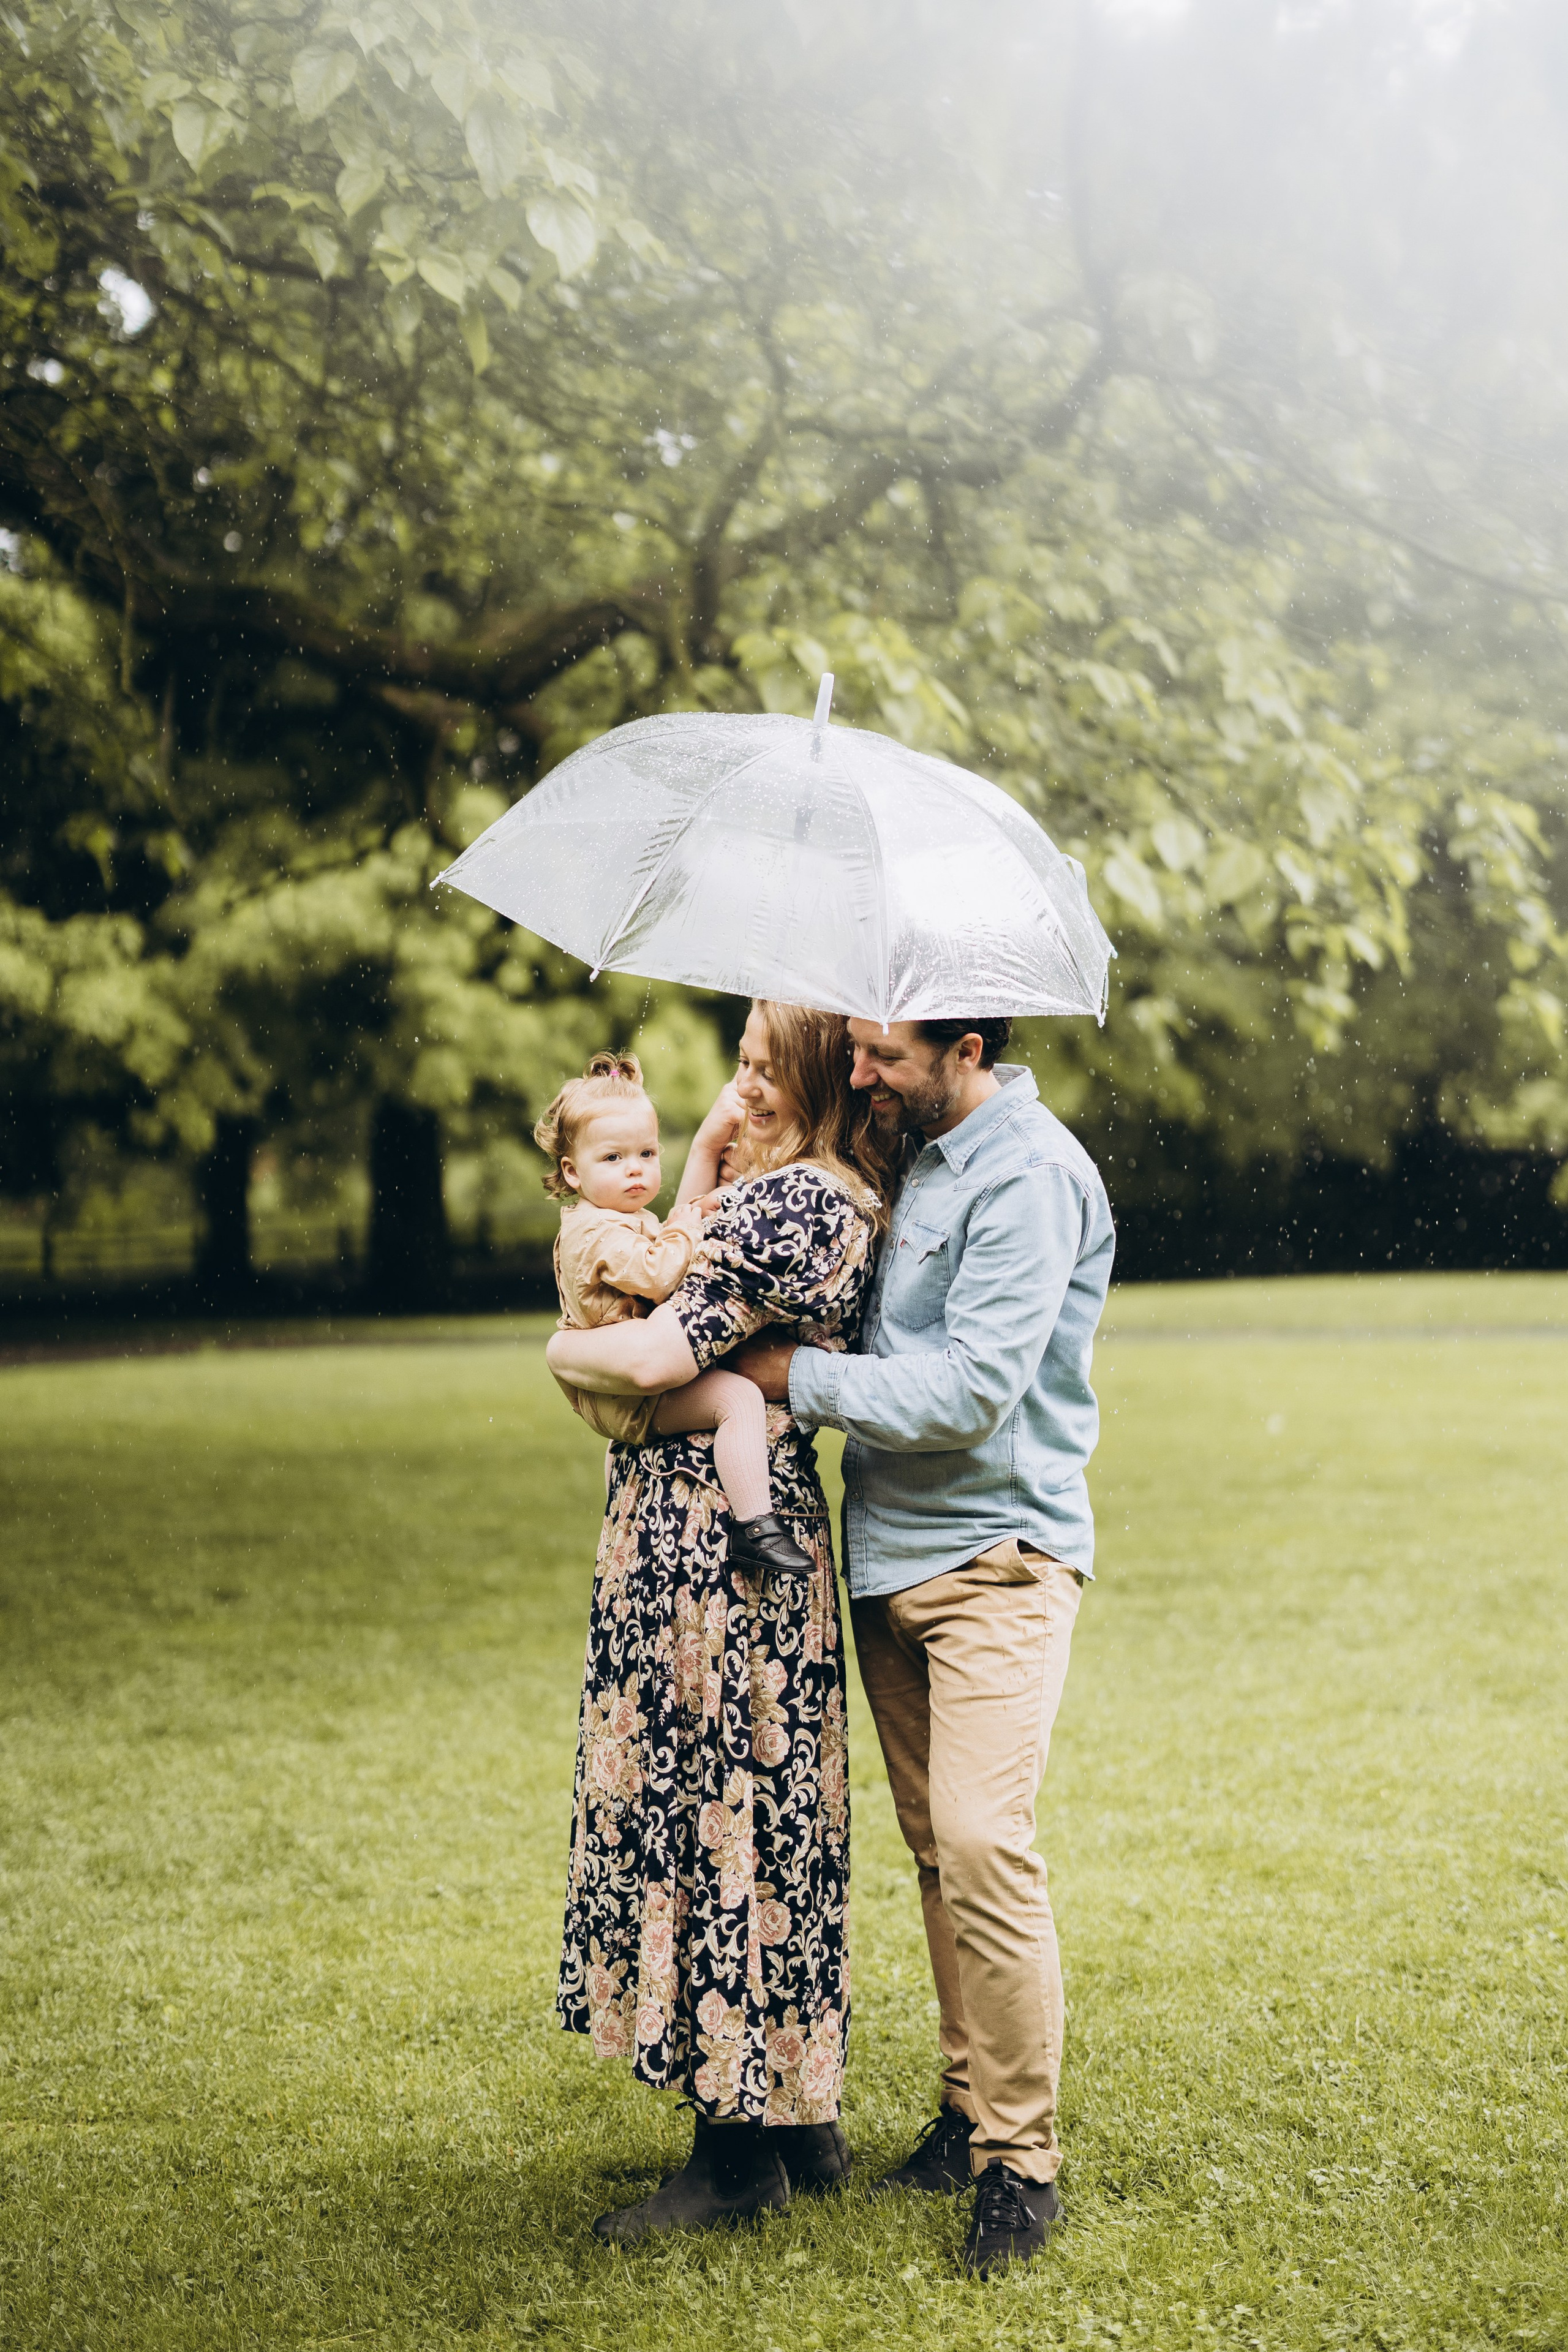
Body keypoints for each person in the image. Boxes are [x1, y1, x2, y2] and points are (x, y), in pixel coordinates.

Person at [730, 1015, 1114, 2280]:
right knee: (933, 1854)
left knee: (983, 1844)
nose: (857, 1074)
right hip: (889, 1560)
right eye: (849, 1049)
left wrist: (796, 1378)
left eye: (879, 1054)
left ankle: (1018, 2165)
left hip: (995, 1561)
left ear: (962, 1044)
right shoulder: (914, 1157)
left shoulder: (1029, 1175)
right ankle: (963, 2115)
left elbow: (967, 1392)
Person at [543, 1000, 897, 2243]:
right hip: (722, 1534)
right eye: (737, 1064)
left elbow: (648, 1360)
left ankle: (734, 2154)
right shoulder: (805, 1189)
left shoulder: (798, 1202)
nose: (737, 1090)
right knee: (770, 1806)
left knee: (723, 1814)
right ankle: (793, 2118)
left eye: (761, 1069)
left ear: (815, 1080)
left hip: (714, 1554)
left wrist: (554, 1350)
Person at [533, 1049, 812, 1577]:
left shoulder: (616, 1216)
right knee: (738, 1399)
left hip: (626, 1380)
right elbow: (660, 1275)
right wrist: (687, 1228)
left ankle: (755, 1521)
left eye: (647, 1153)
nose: (635, 1169)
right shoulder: (594, 1233)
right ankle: (756, 1526)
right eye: (613, 1159)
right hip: (626, 1394)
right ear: (572, 1172)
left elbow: (660, 1256)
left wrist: (691, 1216)